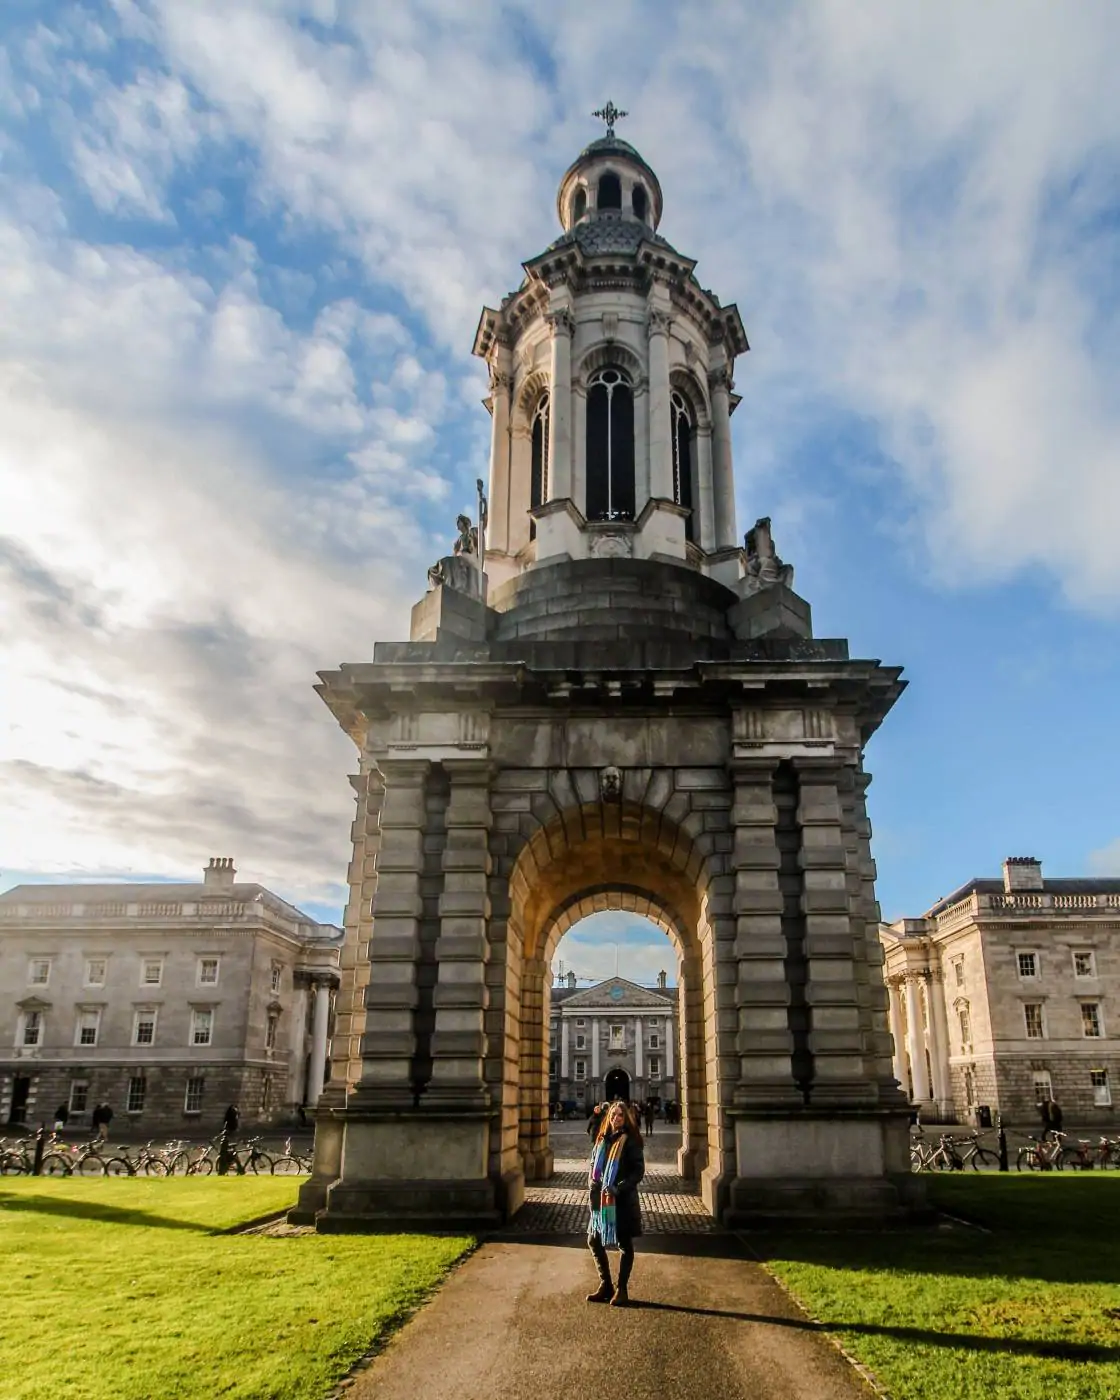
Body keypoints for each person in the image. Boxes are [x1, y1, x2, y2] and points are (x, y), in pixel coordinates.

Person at [586, 1100, 645, 1308]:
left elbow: (638, 1171)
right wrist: (593, 1181)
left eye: (620, 1115)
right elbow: (594, 1164)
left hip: (621, 1200)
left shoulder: (630, 1142)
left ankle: (622, 1288)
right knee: (593, 1240)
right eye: (613, 1114)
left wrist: (618, 1187)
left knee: (624, 1244)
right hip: (601, 1201)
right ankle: (606, 1284)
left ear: (626, 1118)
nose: (616, 1118)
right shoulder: (602, 1139)